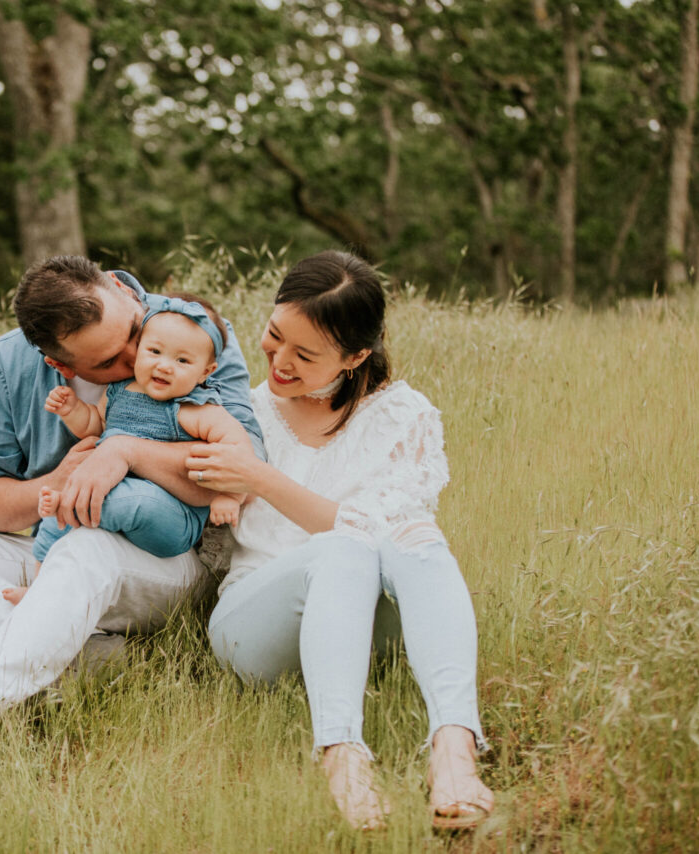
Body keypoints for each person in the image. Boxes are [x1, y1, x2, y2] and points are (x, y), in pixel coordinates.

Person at [0, 256, 264, 795]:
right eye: (110, 360)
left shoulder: (191, 332)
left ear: (121, 292)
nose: (140, 358)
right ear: (60, 366)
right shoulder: (5, 365)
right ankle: (77, 651)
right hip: (53, 551)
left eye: (134, 332)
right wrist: (60, 478)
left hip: (171, 557)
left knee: (88, 546)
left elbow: (249, 472)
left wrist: (124, 452)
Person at [185, 250, 495, 831]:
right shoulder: (238, 413)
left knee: (414, 532)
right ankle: (341, 754)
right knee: (342, 546)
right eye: (275, 336)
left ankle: (454, 749)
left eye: (305, 355)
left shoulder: (405, 417)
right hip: (256, 625)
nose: (279, 361)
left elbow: (380, 533)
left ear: (356, 357)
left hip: (371, 623)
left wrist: (260, 478)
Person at [2, 296, 251, 605]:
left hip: (171, 515)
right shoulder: (120, 391)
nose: (164, 365)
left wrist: (230, 497)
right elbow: (96, 426)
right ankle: (40, 584)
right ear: (138, 349)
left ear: (205, 372)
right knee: (66, 506)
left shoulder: (197, 409)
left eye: (182, 361)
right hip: (118, 493)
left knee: (107, 501)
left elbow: (240, 454)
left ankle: (71, 515)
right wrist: (73, 411)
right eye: (154, 352)